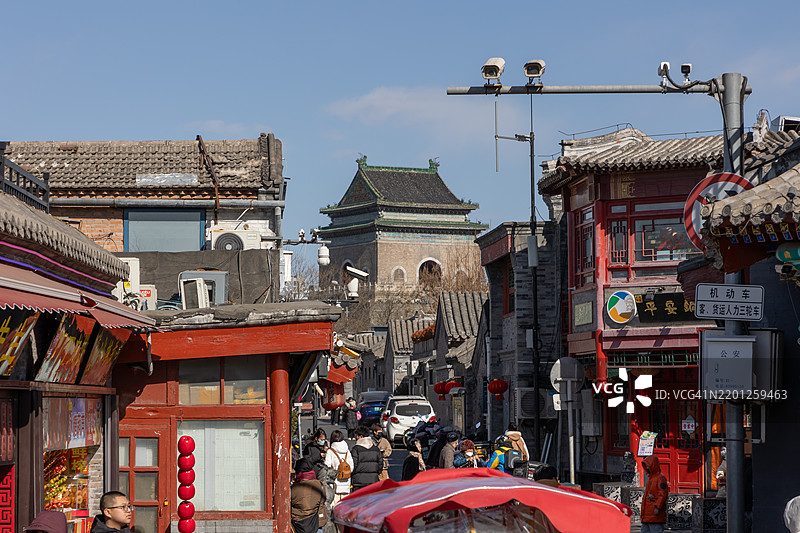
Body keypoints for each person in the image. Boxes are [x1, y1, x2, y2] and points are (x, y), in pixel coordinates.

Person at [291, 457, 329, 533]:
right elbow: (323, 500)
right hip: (317, 524)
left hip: (299, 525)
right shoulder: (320, 485)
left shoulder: (294, 488)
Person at [324, 429, 354, 505]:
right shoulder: (347, 451)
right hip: (346, 482)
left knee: (334, 506)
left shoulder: (330, 451)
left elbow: (327, 467)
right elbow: (352, 466)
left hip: (335, 484)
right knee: (344, 507)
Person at [641, 455, 669, 533]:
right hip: (648, 512)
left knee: (656, 530)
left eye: (647, 466)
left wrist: (658, 507)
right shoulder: (651, 478)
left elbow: (663, 494)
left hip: (654, 512)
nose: (646, 468)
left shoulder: (660, 478)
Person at [350, 426, 382, 491]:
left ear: (361, 436)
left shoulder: (355, 449)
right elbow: (380, 465)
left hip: (358, 482)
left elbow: (353, 466)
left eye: (356, 435)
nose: (355, 437)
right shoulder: (376, 449)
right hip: (373, 481)